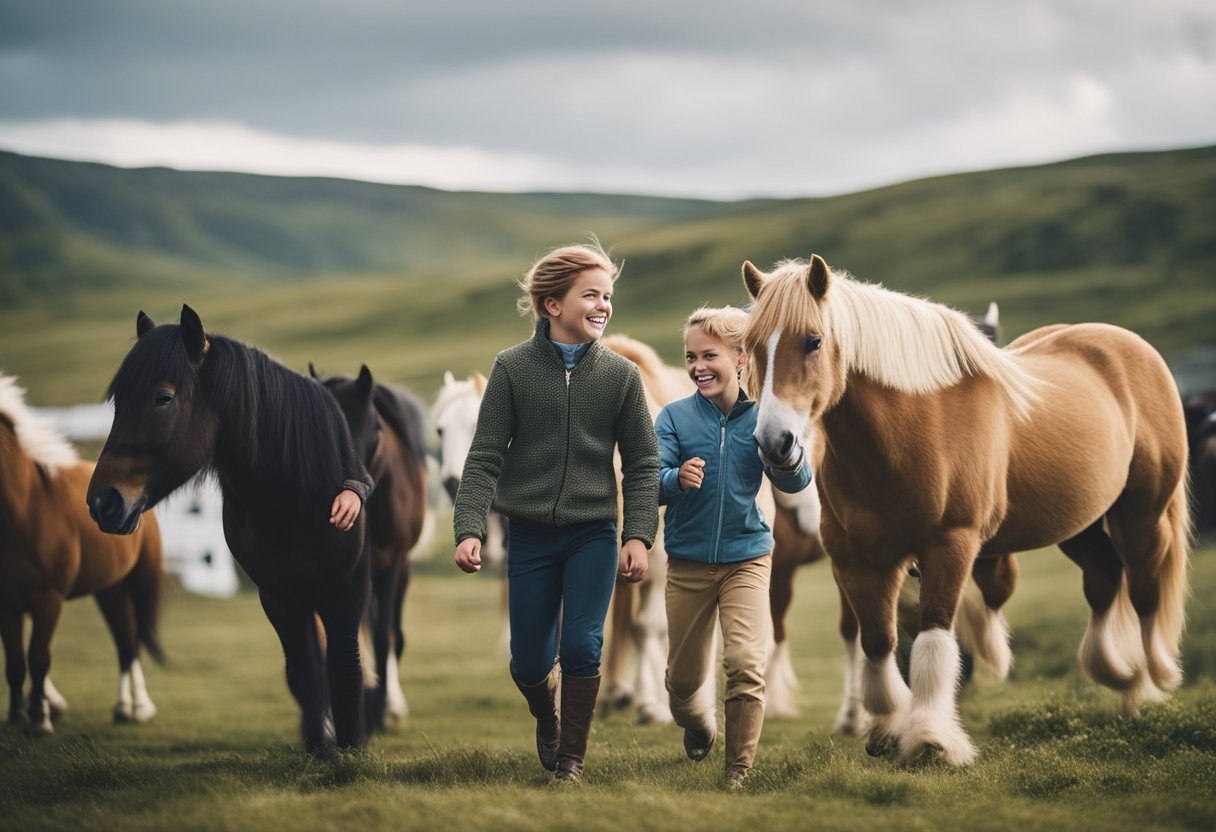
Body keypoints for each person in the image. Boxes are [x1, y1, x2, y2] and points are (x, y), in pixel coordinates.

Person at [453, 241, 660, 783]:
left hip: (593, 533)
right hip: (529, 536)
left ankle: (571, 760)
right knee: (528, 663)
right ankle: (546, 715)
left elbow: (642, 463)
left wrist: (637, 534)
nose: (603, 306)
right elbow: (484, 456)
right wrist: (469, 527)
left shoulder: (621, 377)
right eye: (591, 295)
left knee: (582, 644)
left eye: (608, 296)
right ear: (552, 304)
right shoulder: (512, 369)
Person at [655, 305, 812, 789]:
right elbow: (650, 482)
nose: (698, 366)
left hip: (748, 558)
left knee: (745, 663)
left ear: (741, 358)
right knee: (682, 681)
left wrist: (788, 456)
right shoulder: (675, 418)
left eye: (709, 355)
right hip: (687, 563)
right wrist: (676, 479)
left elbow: (798, 480)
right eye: (690, 357)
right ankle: (698, 724)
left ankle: (738, 772)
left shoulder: (761, 419)